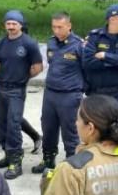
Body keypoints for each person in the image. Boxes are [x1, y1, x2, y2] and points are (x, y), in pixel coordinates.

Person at [0, 10, 43, 179]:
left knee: (13, 125)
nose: (11, 27)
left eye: (14, 24)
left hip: (16, 90)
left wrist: (23, 77)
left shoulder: (29, 43)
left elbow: (38, 67)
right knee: (0, 123)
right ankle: (7, 155)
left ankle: (16, 162)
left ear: (20, 25)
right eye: (8, 23)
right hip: (0, 88)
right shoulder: (2, 43)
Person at [34, 12, 85, 174]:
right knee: (48, 127)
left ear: (69, 26)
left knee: (70, 131)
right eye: (54, 27)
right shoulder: (51, 43)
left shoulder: (79, 45)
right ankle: (48, 159)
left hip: (70, 95)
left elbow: (87, 69)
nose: (56, 30)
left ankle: (72, 165)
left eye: (60, 27)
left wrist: (82, 90)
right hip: (50, 93)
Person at [82, 3, 118, 116]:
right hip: (96, 93)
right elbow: (88, 62)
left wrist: (105, 56)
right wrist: (117, 62)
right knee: (96, 130)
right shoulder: (95, 36)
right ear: (113, 19)